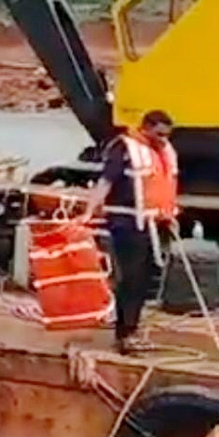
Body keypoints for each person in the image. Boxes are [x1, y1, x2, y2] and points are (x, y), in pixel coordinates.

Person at [81, 110, 179, 354]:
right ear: (146, 128)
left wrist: (170, 215)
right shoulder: (124, 148)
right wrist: (89, 211)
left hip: (152, 223)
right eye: (159, 134)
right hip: (127, 222)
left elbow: (164, 185)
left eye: (166, 135)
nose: (163, 139)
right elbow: (105, 181)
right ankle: (124, 333)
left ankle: (132, 328)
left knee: (145, 278)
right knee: (131, 278)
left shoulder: (164, 150)